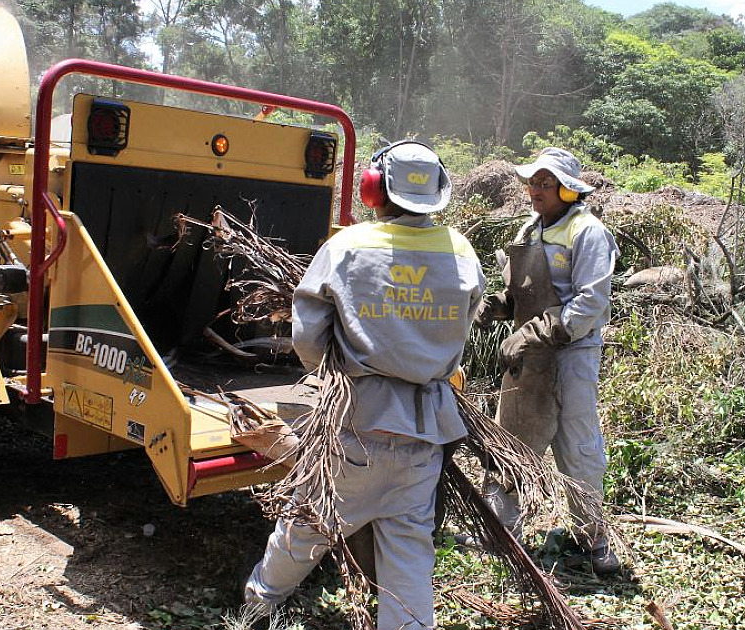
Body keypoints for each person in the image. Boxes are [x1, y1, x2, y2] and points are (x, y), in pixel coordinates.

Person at [245, 141, 486, 630]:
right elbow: (465, 324)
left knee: (307, 526)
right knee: (409, 548)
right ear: (438, 192)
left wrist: (333, 372)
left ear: (374, 189)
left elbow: (307, 337)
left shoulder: (347, 247)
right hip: (426, 434)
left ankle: (257, 604)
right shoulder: (461, 252)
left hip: (356, 423)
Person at [476, 147, 621, 575]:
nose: (535, 190)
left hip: (572, 352)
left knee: (577, 446)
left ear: (568, 189)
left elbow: (590, 301)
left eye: (545, 183)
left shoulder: (588, 232)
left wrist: (537, 332)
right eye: (533, 182)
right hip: (530, 354)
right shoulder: (529, 230)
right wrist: (498, 306)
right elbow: (522, 289)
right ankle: (501, 532)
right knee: (510, 442)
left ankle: (592, 538)